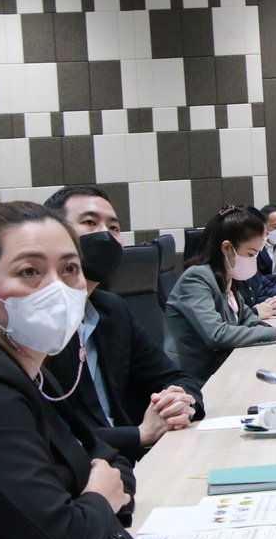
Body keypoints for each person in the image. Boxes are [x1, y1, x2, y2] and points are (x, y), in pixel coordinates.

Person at [0, 202, 135, 539]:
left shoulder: (30, 367)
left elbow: (112, 462)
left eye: (70, 268)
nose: (57, 288)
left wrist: (97, 497)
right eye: (29, 271)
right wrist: (100, 498)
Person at [42, 186, 204, 461]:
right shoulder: (36, 325)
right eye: (90, 222)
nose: (105, 235)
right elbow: (51, 436)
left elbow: (173, 377)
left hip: (133, 462)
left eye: (114, 227)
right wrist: (140, 434)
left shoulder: (113, 310)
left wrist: (179, 400)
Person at [164, 205, 276, 386]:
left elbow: (247, 318)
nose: (253, 260)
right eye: (250, 254)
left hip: (223, 369)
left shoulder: (228, 278)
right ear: (227, 248)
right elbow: (217, 334)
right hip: (194, 380)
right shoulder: (196, 278)